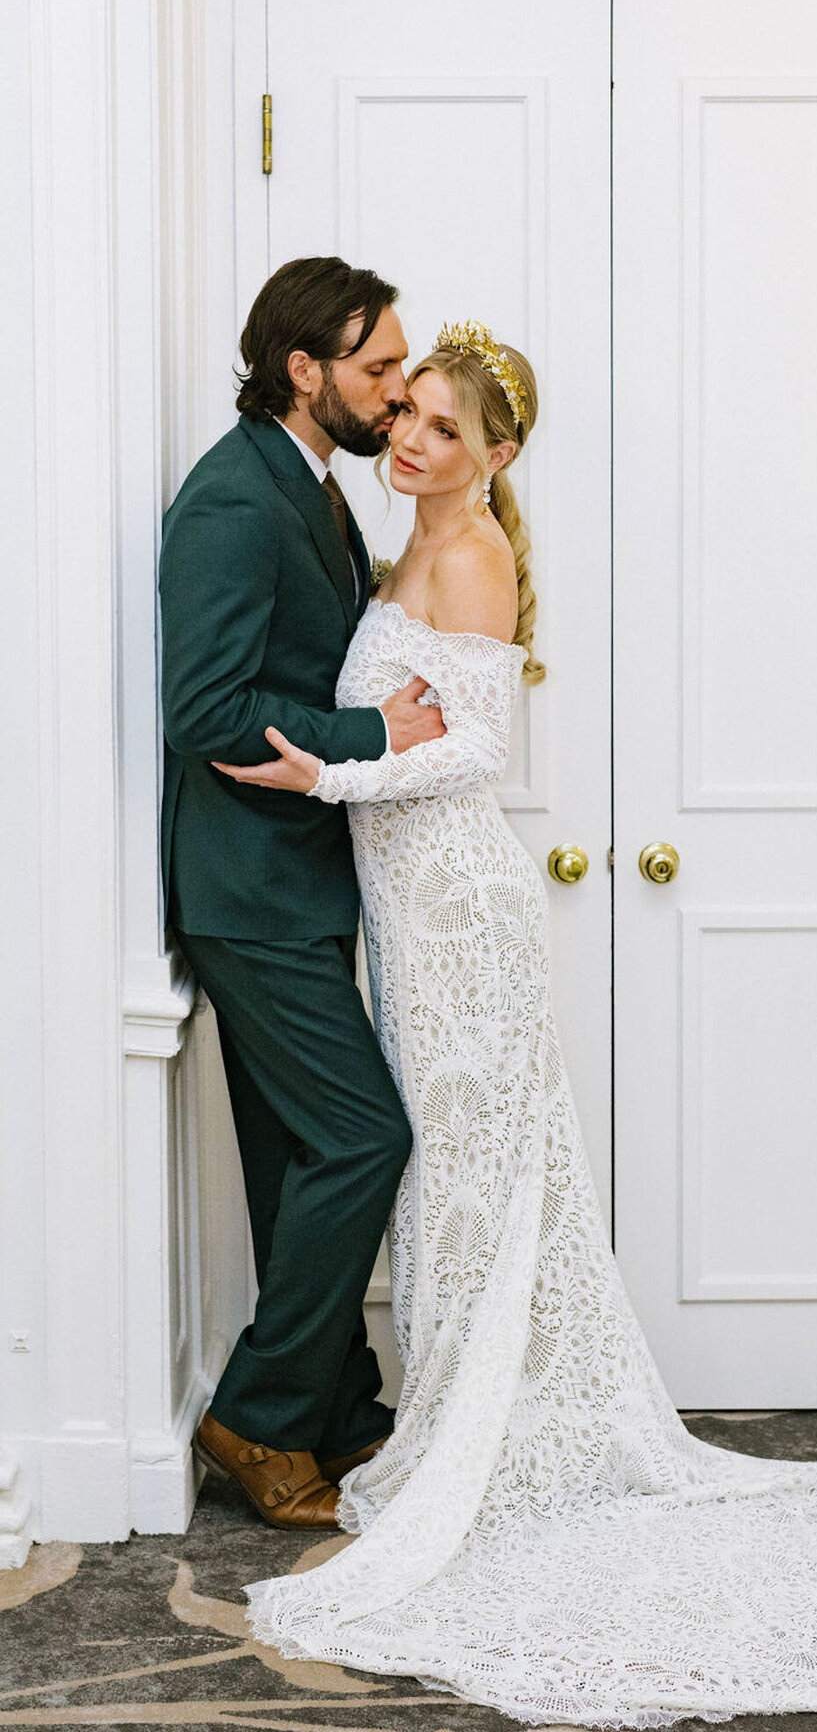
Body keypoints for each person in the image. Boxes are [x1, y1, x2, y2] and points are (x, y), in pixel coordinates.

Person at [216, 321, 817, 1720]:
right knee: (448, 1180)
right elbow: (408, 716)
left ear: (494, 457)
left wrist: (321, 781)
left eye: (445, 430)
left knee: (471, 1182)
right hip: (409, 918)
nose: (413, 440)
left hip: (460, 921)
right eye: (412, 417)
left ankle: (476, 1451)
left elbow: (479, 755)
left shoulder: (473, 551)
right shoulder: (406, 547)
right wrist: (358, 751)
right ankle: (455, 1428)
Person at [159, 256, 448, 1530]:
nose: (395, 392)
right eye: (378, 368)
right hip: (249, 896)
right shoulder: (233, 501)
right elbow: (207, 712)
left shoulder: (312, 488)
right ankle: (259, 1416)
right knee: (365, 1137)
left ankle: (339, 1413)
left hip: (300, 887)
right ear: (303, 368)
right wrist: (371, 735)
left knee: (295, 1166)